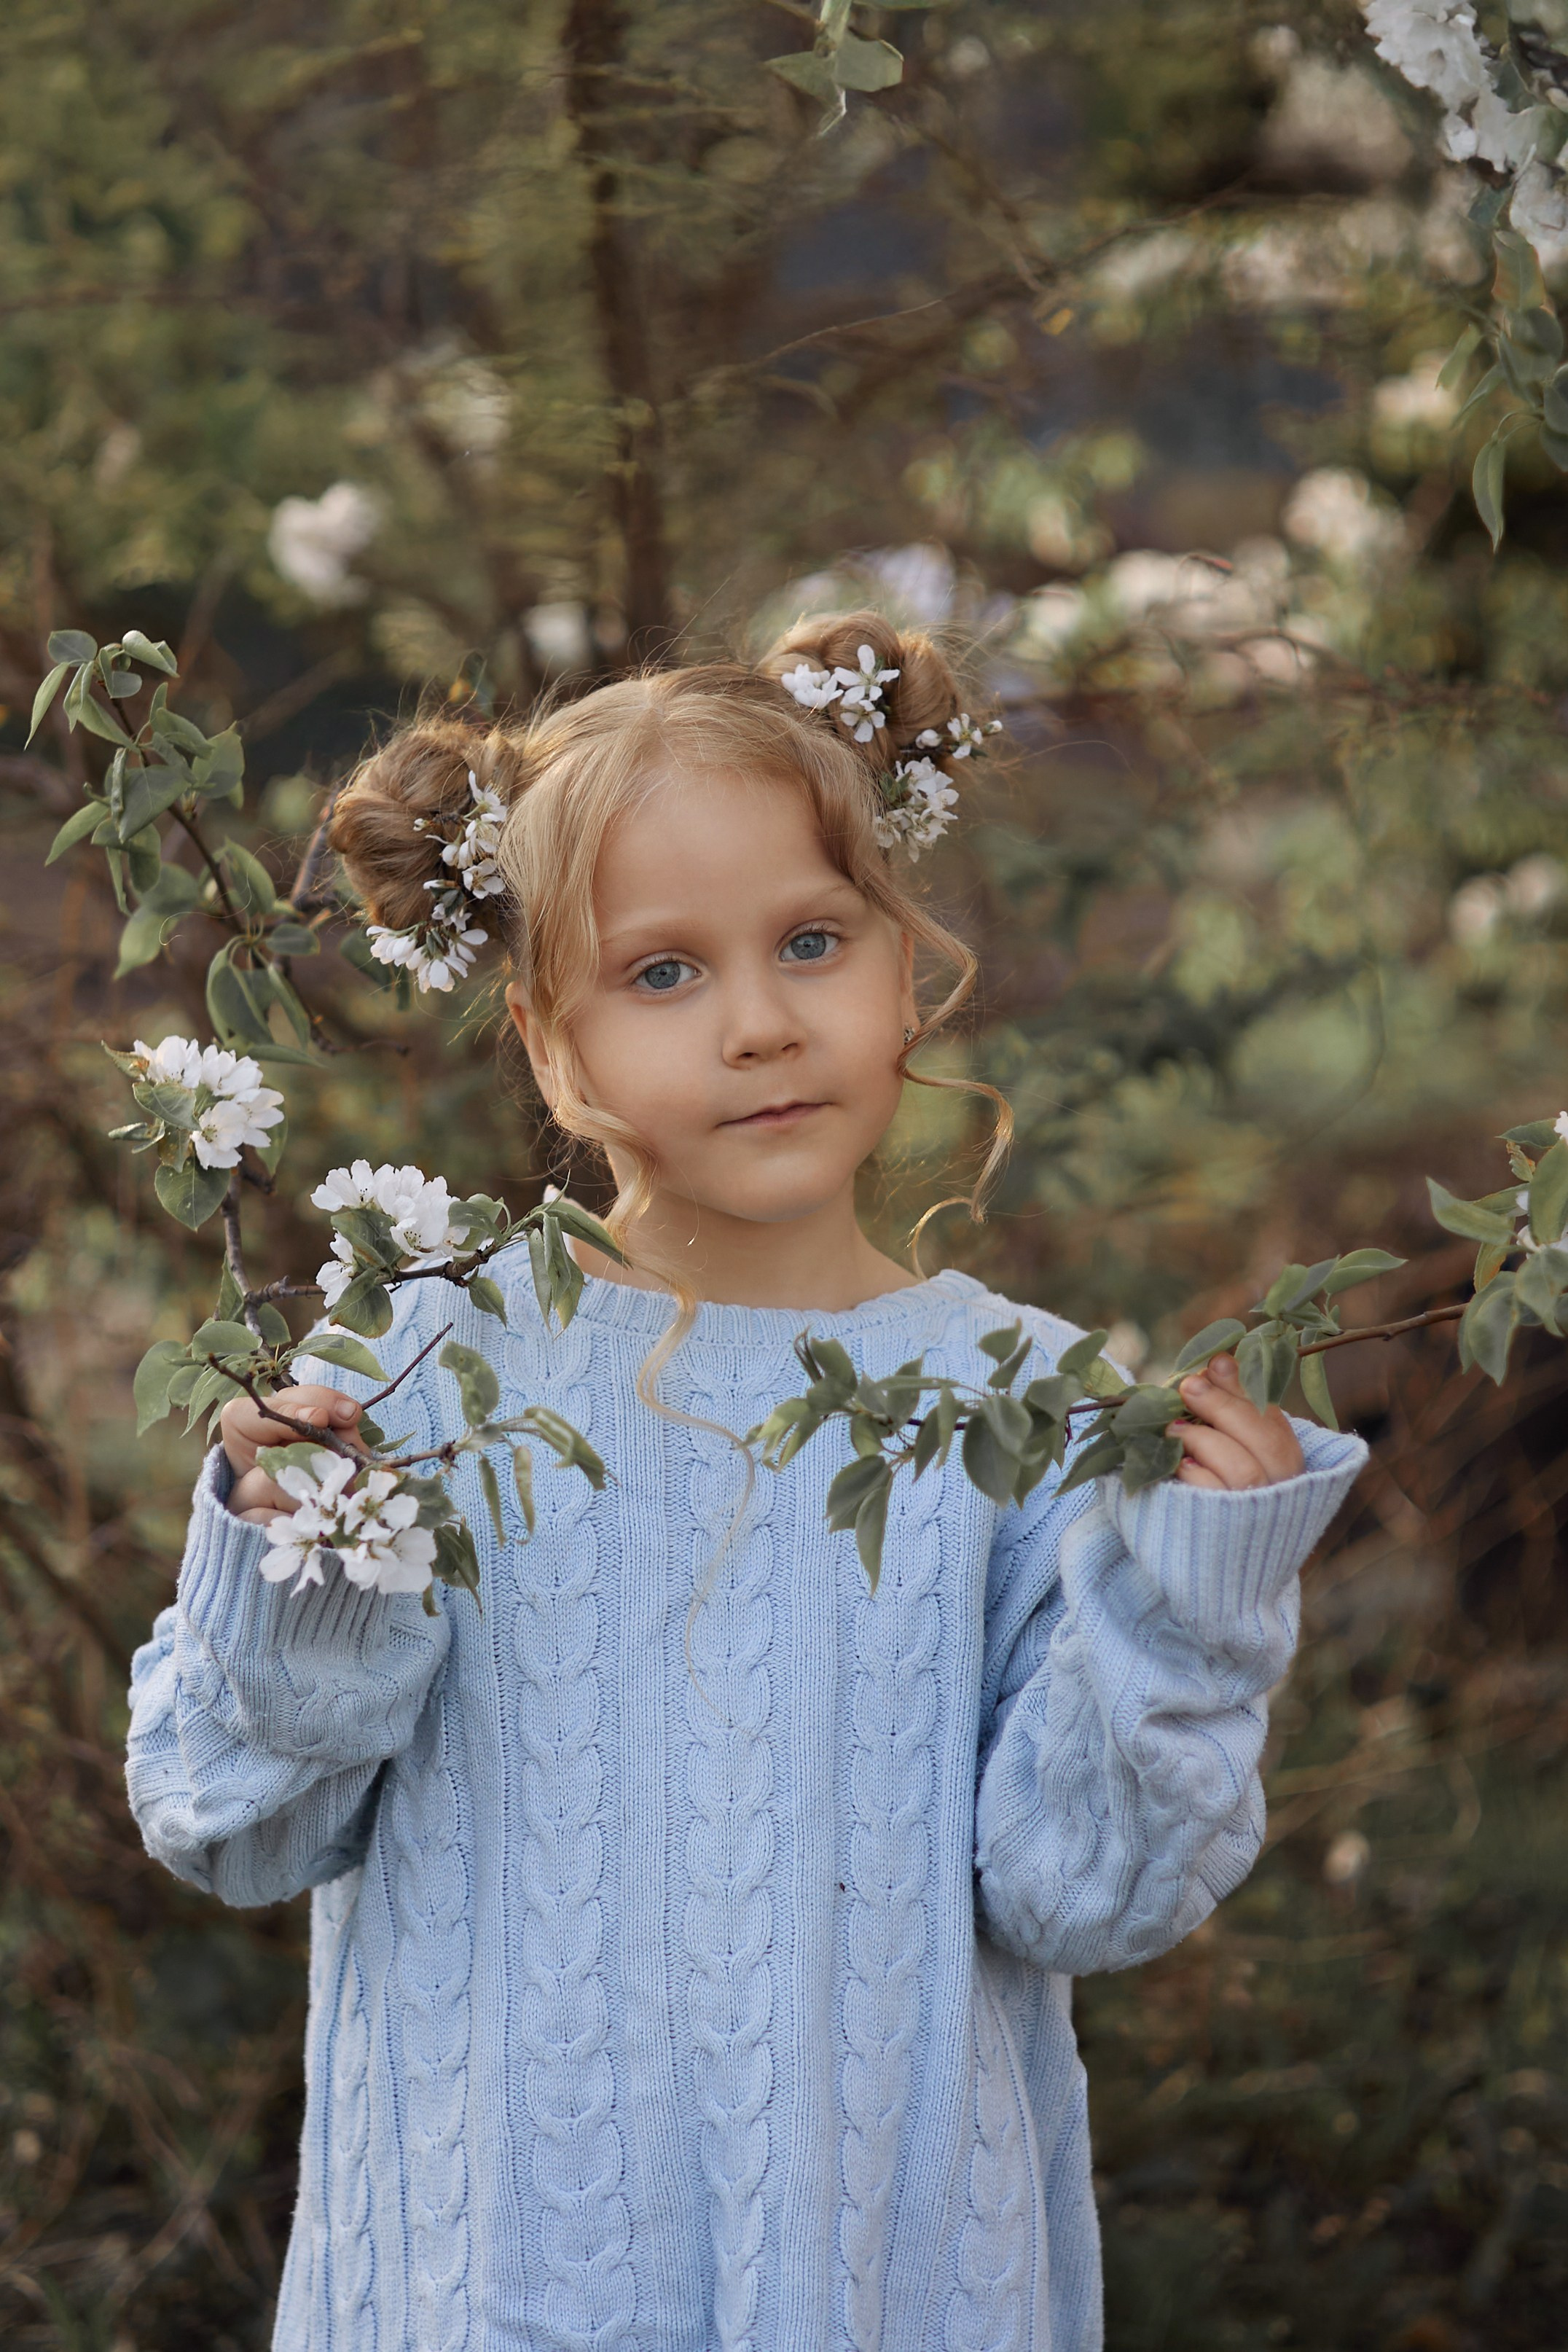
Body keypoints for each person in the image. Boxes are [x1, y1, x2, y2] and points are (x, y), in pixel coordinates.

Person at [125, 612, 1365, 2352]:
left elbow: (1079, 1890)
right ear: (550, 1041)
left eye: (808, 941)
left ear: (902, 959)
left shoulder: (1026, 1406)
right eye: (662, 972)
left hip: (883, 2284)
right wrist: (301, 1565)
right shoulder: (427, 1366)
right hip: (491, 2280)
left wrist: (1187, 1597)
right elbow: (232, 1828)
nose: (761, 1024)